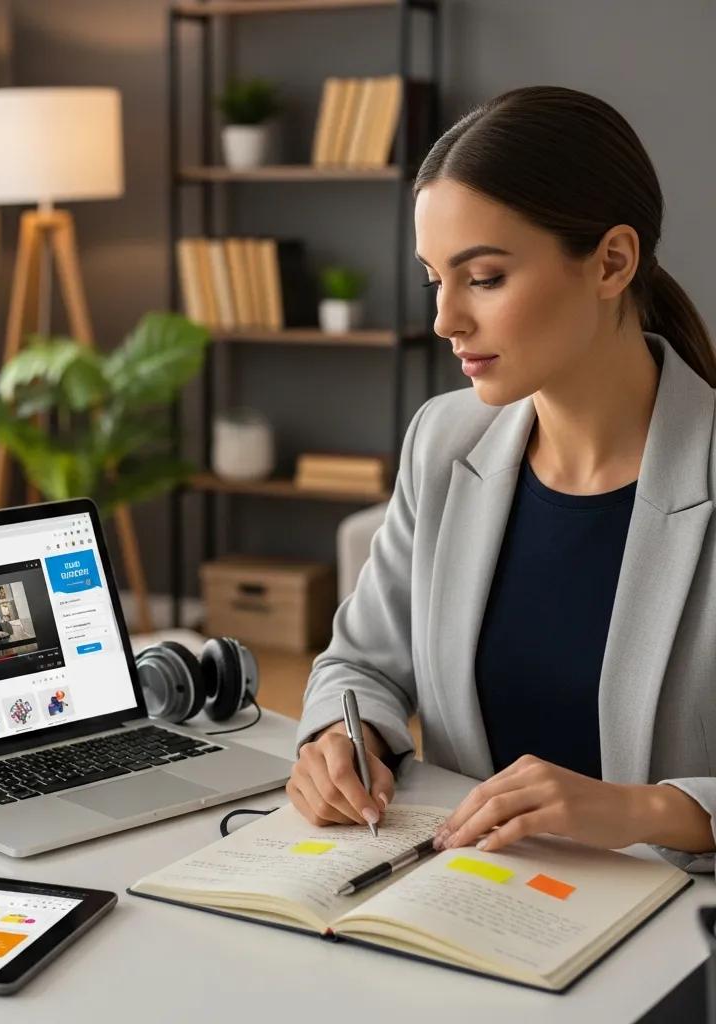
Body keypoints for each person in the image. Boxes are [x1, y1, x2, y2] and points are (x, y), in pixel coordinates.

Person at [289, 86, 716, 875]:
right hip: (469, 904)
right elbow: (360, 664)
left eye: (482, 278)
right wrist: (341, 739)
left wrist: (646, 808)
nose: (446, 319)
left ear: (612, 261)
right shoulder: (444, 440)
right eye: (433, 280)